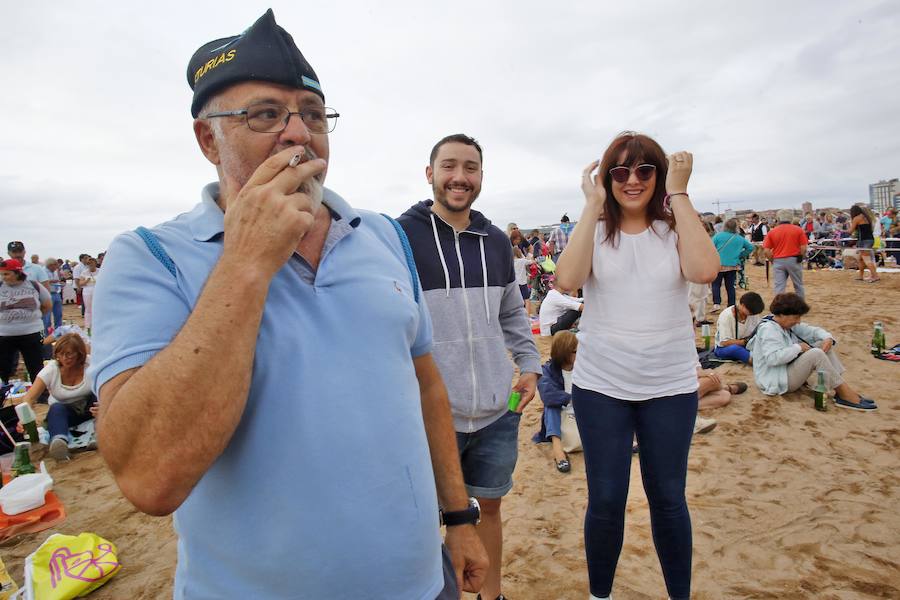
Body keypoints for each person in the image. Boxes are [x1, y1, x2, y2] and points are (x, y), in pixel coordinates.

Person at [90, 11, 486, 599]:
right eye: (266, 114)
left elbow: (424, 382)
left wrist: (458, 517)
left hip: (422, 584)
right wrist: (246, 261)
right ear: (207, 138)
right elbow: (149, 479)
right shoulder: (150, 258)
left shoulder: (382, 235)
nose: (298, 133)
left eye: (312, 113)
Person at [555, 131, 720, 600]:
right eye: (620, 171)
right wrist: (591, 205)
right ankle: (599, 595)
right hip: (602, 385)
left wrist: (681, 194)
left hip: (668, 385)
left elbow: (705, 270)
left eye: (645, 170)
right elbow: (567, 280)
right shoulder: (595, 229)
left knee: (668, 499)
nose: (632, 180)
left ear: (659, 176)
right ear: (607, 178)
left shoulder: (673, 229)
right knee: (606, 500)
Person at [398, 133, 541, 600]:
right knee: (424, 522)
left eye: (471, 168)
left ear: (481, 176)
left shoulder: (497, 242)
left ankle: (491, 595)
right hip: (429, 414)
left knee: (489, 511)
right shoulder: (401, 238)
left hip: (498, 411)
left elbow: (513, 313)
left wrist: (530, 365)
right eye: (450, 166)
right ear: (430, 174)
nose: (460, 177)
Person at [748, 293, 877, 410]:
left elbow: (813, 331)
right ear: (782, 315)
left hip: (785, 371)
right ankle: (844, 394)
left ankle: (840, 389)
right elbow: (773, 359)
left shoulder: (784, 323)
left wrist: (828, 338)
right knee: (816, 354)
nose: (798, 321)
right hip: (775, 379)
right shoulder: (769, 329)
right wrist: (798, 348)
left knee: (823, 344)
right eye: (796, 317)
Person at [11, 334, 97, 460]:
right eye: (60, 354)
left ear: (79, 354)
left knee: (98, 396)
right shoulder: (52, 369)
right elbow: (29, 397)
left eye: (69, 354)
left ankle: (98, 434)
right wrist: (23, 418)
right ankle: (59, 442)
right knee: (56, 408)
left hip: (91, 409)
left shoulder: (91, 364)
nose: (64, 358)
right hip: (65, 413)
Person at [1, 259, 51, 385]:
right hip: (4, 334)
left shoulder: (34, 286)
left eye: (7, 274)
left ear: (17, 273)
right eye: (2, 274)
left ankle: (40, 394)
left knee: (36, 364)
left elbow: (47, 304)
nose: (3, 277)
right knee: (3, 365)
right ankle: (3, 392)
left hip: (33, 332)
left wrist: (32, 318)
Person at [533, 330, 578, 473]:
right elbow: (548, 395)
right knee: (551, 407)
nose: (580, 354)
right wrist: (572, 399)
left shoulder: (584, 369)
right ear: (565, 353)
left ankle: (621, 442)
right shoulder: (547, 370)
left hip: (582, 412)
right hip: (562, 415)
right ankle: (558, 452)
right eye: (575, 351)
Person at [710, 218, 754, 311]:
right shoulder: (739, 238)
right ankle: (731, 304)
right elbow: (750, 247)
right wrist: (741, 255)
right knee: (730, 286)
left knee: (716, 284)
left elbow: (710, 247)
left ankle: (716, 303)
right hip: (733, 265)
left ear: (725, 226)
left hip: (718, 264)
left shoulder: (718, 236)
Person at [763, 209, 807, 298]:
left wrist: (772, 260)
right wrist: (801, 256)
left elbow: (766, 250)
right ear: (791, 218)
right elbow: (804, 247)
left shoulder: (772, 231)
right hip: (794, 259)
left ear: (778, 219)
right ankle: (800, 307)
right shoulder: (798, 230)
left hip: (778, 260)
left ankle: (778, 309)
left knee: (779, 287)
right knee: (798, 285)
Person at [713, 291, 764, 364]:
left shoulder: (753, 314)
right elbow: (724, 342)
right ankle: (757, 362)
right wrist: (745, 342)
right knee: (735, 349)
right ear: (742, 305)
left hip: (747, 344)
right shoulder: (726, 316)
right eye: (751, 312)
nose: (752, 315)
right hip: (725, 348)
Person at [848, 205, 879, 283]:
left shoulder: (857, 218)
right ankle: (861, 276)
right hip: (869, 239)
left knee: (866, 259)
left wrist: (841, 230)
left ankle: (875, 276)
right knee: (861, 259)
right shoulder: (866, 217)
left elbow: (850, 231)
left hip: (864, 241)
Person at [77, 257, 100, 334]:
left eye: (92, 263)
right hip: (87, 291)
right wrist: (86, 281)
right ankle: (88, 326)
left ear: (95, 263)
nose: (91, 265)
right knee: (88, 309)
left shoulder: (100, 271)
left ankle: (97, 325)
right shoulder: (84, 272)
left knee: (97, 308)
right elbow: (80, 283)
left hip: (97, 291)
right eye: (89, 264)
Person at [44, 257, 64, 331]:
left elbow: (56, 281)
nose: (56, 267)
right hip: (47, 294)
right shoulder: (43, 271)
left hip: (56, 293)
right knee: (47, 316)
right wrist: (52, 281)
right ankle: (47, 333)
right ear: (50, 265)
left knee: (58, 314)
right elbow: (42, 281)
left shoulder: (55, 271)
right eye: (55, 265)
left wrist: (59, 283)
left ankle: (58, 331)